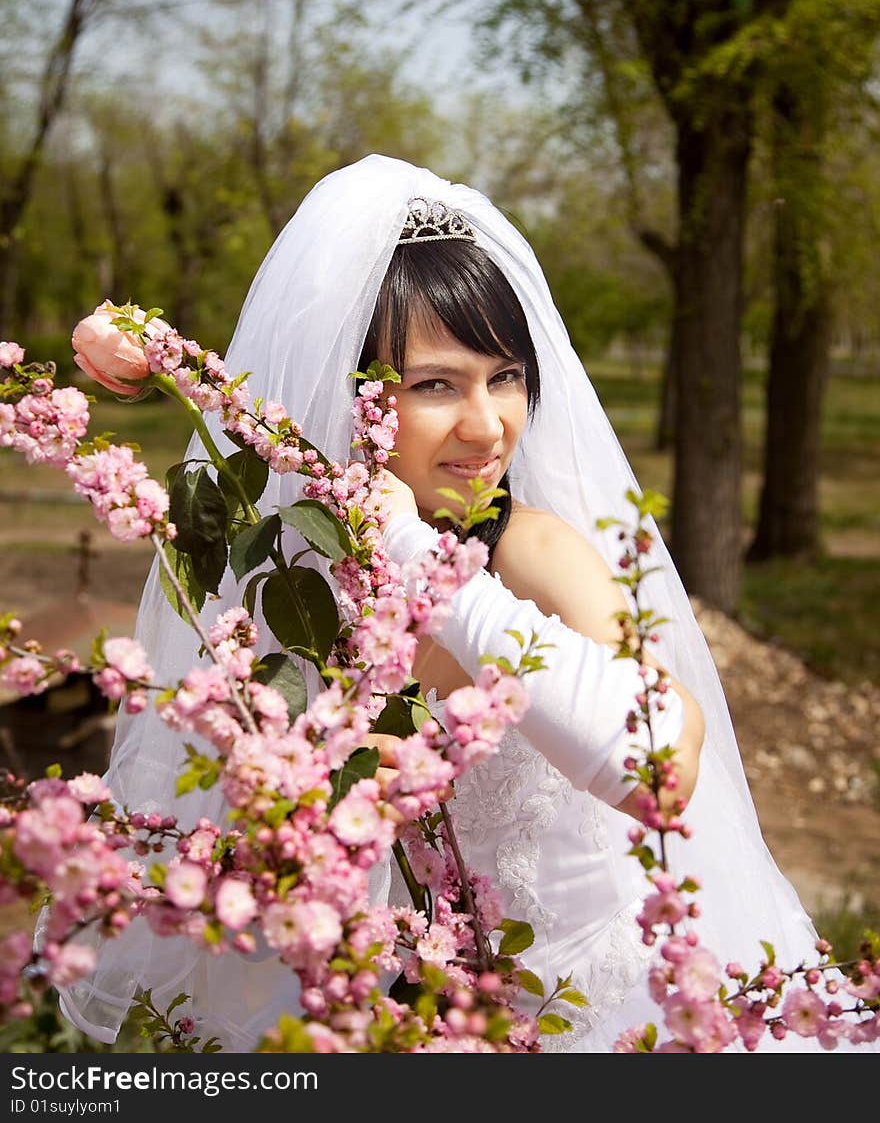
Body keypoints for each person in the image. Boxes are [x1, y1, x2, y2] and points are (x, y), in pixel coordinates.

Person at [58, 154, 875, 1052]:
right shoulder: (289, 592)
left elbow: (660, 769)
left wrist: (424, 562)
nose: (487, 426)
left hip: (609, 1020)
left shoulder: (537, 554)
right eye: (435, 385)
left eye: (506, 378)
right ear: (354, 397)